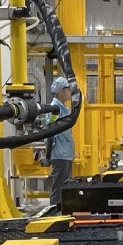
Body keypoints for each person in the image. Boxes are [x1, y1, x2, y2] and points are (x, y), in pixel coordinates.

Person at [47, 77, 75, 207]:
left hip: (65, 153)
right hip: (59, 153)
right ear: (60, 92)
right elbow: (50, 131)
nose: (70, 91)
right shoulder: (55, 108)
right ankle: (53, 215)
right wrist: (48, 155)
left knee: (64, 188)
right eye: (67, 89)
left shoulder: (63, 108)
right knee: (58, 189)